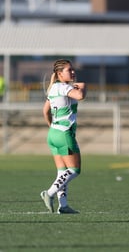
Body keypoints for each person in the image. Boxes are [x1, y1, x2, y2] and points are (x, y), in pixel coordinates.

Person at [40, 59, 86, 214]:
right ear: (59, 74)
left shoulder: (53, 88)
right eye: (69, 70)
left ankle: (63, 205)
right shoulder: (63, 86)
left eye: (72, 69)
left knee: (62, 171)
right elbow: (80, 96)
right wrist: (83, 87)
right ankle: (50, 193)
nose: (72, 72)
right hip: (64, 133)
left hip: (53, 133)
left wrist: (52, 127)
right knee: (74, 170)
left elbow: (45, 111)